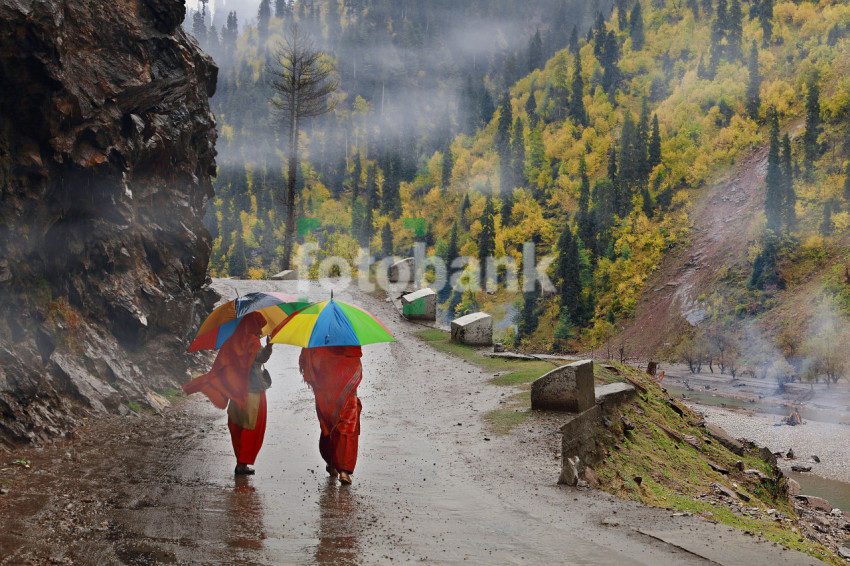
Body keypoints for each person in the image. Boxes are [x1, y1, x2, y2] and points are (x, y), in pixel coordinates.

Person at [183, 312, 273, 475]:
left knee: (237, 425)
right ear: (254, 325)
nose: (260, 329)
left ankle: (241, 461)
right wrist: (269, 347)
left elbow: (224, 364)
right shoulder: (253, 341)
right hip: (253, 391)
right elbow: (259, 359)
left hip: (236, 392)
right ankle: (243, 463)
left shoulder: (232, 341)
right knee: (252, 427)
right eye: (259, 325)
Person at [299, 346, 363, 485]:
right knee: (344, 428)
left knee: (332, 427)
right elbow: (355, 364)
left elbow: (308, 364)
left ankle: (336, 466)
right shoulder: (349, 339)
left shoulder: (316, 339)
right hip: (343, 392)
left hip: (326, 394)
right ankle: (340, 469)